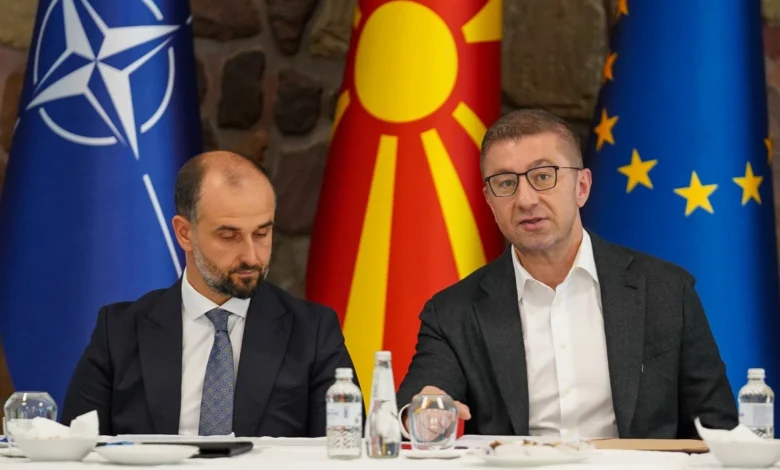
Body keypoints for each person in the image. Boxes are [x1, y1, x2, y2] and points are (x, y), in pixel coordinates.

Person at [396, 109, 738, 439]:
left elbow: (716, 425)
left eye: (543, 176)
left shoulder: (666, 291)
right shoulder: (453, 313)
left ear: (582, 186)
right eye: (506, 183)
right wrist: (424, 414)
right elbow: (416, 407)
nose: (525, 200)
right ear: (489, 200)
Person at [61, 151, 359, 437]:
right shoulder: (120, 332)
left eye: (261, 234)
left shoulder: (313, 332)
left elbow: (346, 449)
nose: (251, 256)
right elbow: (74, 447)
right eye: (229, 236)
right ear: (184, 233)